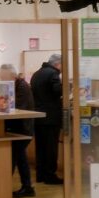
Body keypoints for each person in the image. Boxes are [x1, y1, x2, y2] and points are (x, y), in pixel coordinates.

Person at [0, 64, 36, 198]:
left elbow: (18, 108)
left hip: (23, 128)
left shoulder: (22, 88)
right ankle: (25, 187)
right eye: (1, 77)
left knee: (17, 157)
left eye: (4, 77)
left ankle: (20, 188)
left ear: (13, 76)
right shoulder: (13, 86)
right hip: (17, 128)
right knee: (18, 157)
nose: (2, 79)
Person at [30, 54, 64, 185]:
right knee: (51, 148)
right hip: (51, 117)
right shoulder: (53, 73)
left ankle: (40, 174)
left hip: (38, 116)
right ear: (58, 64)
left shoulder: (36, 74)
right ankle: (50, 175)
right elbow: (57, 91)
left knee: (40, 147)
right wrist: (65, 87)